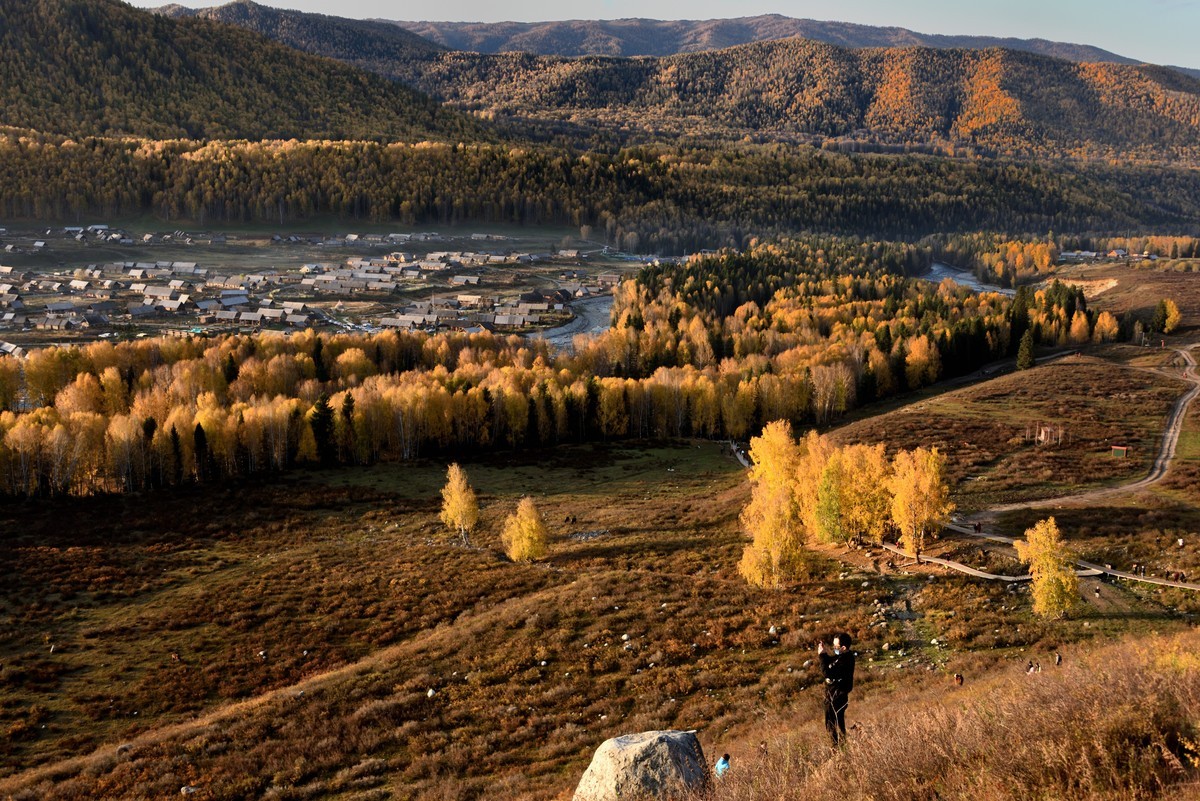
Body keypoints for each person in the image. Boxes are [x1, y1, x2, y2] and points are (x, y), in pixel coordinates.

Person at [818, 633, 856, 747]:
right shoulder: (841, 657)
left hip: (837, 695)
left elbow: (827, 673)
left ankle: (837, 747)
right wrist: (824, 653)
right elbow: (830, 662)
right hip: (832, 694)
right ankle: (839, 745)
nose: (834, 649)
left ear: (843, 648)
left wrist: (822, 657)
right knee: (834, 722)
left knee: (833, 723)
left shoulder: (846, 660)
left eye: (836, 647)